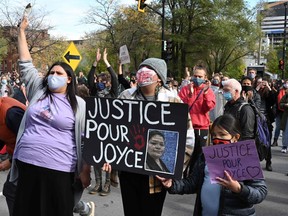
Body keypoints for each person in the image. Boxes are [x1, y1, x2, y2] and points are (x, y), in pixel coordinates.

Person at [10, 16, 91, 216]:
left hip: (59, 171)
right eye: (51, 72)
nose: (53, 76)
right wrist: (21, 32)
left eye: (59, 73)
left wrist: (85, 170)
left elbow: (86, 141)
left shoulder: (79, 105)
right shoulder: (39, 90)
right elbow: (26, 63)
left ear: (69, 78)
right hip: (27, 165)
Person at [112, 57, 194, 216]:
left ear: (159, 78)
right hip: (129, 171)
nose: (143, 72)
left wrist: (172, 169)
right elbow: (113, 131)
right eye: (141, 68)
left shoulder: (173, 101)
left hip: (156, 174)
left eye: (149, 69)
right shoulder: (125, 96)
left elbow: (188, 139)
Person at [157, 114, 268, 216]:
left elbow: (260, 192)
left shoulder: (246, 158)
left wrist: (239, 189)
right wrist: (171, 184)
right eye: (214, 135)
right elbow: (192, 183)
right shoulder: (206, 156)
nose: (216, 138)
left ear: (236, 137)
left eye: (222, 134)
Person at [87, 48, 119, 196]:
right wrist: (95, 62)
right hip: (95, 129)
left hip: (109, 130)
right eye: (99, 81)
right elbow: (89, 78)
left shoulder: (113, 93)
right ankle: (98, 183)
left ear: (108, 83)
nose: (100, 83)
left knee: (107, 158)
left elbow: (115, 77)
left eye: (103, 81)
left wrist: (106, 62)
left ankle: (107, 184)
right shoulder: (94, 93)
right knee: (96, 156)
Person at [0, 97, 26, 216]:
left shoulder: (11, 113)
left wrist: (10, 162)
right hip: (19, 155)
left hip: (30, 156)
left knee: (11, 190)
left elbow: (28, 141)